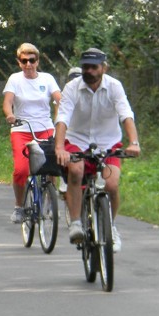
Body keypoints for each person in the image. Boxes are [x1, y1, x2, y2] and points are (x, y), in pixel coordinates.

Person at [54, 48, 141, 253]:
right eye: (86, 67)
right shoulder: (71, 87)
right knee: (75, 171)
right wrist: (59, 147)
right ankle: (76, 223)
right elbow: (62, 118)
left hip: (108, 142)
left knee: (111, 184)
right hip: (77, 139)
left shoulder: (114, 86)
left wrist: (134, 142)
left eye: (94, 67)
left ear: (104, 68)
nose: (89, 71)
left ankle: (111, 227)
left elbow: (126, 115)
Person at [2, 42, 62, 223]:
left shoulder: (47, 79)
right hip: (22, 129)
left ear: (38, 61)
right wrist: (10, 114)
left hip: (45, 129)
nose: (28, 64)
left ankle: (51, 200)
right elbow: (7, 101)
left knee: (52, 166)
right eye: (24, 60)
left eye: (32, 60)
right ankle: (19, 206)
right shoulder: (15, 79)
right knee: (21, 170)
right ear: (19, 62)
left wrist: (61, 116)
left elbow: (59, 99)